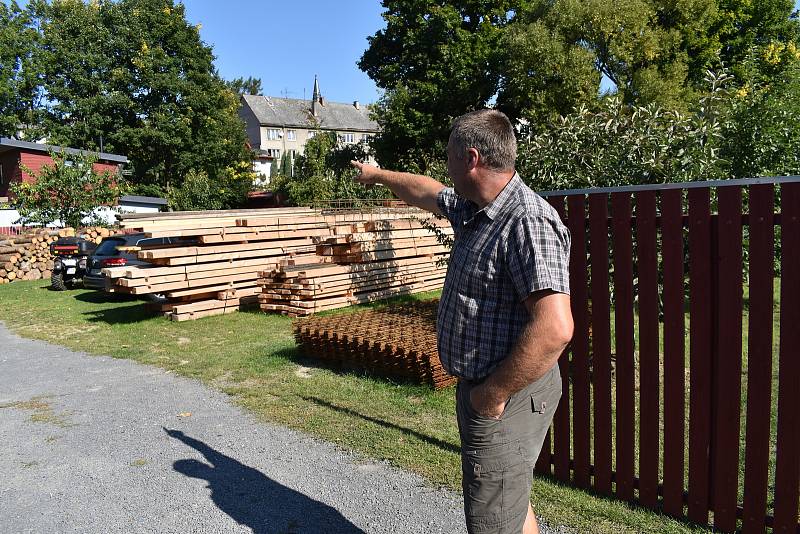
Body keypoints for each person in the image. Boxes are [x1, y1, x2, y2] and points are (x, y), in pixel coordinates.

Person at [350, 109, 573, 534]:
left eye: (449, 154)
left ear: (470, 159)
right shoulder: (475, 208)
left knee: (492, 519)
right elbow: (426, 191)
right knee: (508, 498)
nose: (445, 164)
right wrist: (378, 175)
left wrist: (491, 397)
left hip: (509, 394)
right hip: (492, 389)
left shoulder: (526, 220)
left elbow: (555, 328)